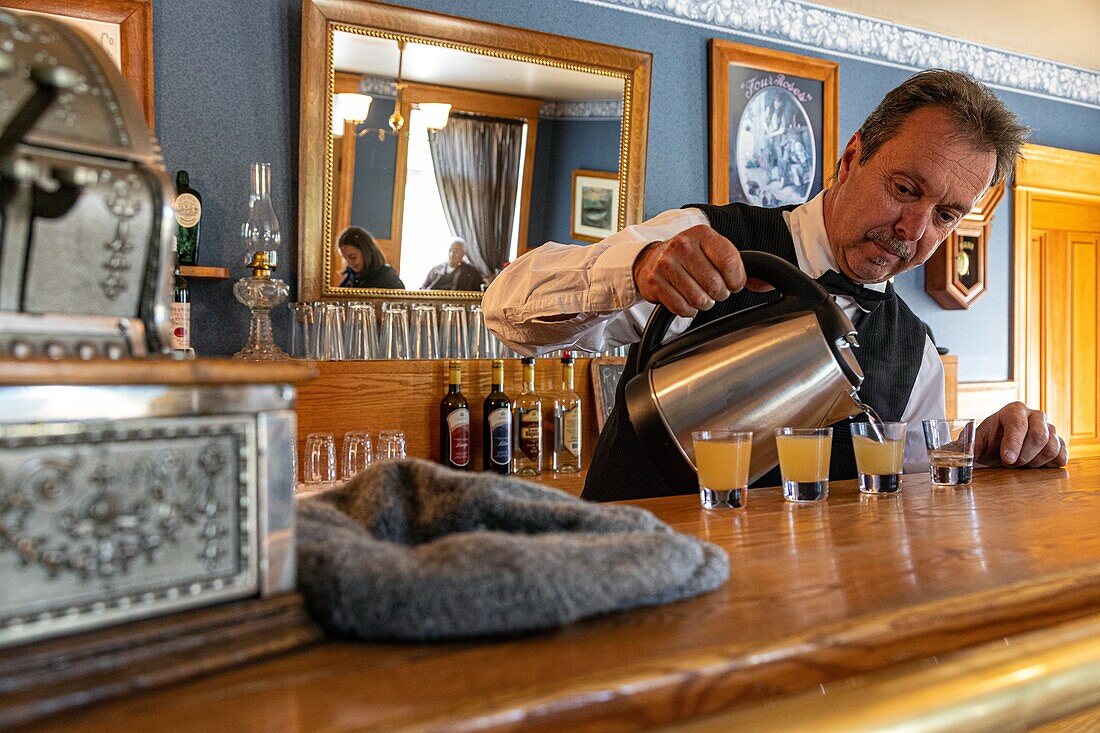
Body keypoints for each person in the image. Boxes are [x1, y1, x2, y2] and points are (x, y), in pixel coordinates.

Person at [484, 69, 1068, 502]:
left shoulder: (916, 351)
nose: (912, 230)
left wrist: (982, 453)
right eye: (905, 189)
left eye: (946, 216)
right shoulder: (710, 238)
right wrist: (638, 269)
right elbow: (505, 309)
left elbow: (910, 494)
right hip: (639, 586)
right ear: (851, 159)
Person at [337, 226, 405, 289]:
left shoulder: (388, 280)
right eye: (345, 258)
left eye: (353, 257)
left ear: (366, 252)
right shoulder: (349, 279)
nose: (349, 263)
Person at [421, 237, 485, 291]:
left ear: (463, 253)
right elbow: (423, 289)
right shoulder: (436, 270)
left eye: (455, 251)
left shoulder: (471, 272)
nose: (452, 254)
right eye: (450, 250)